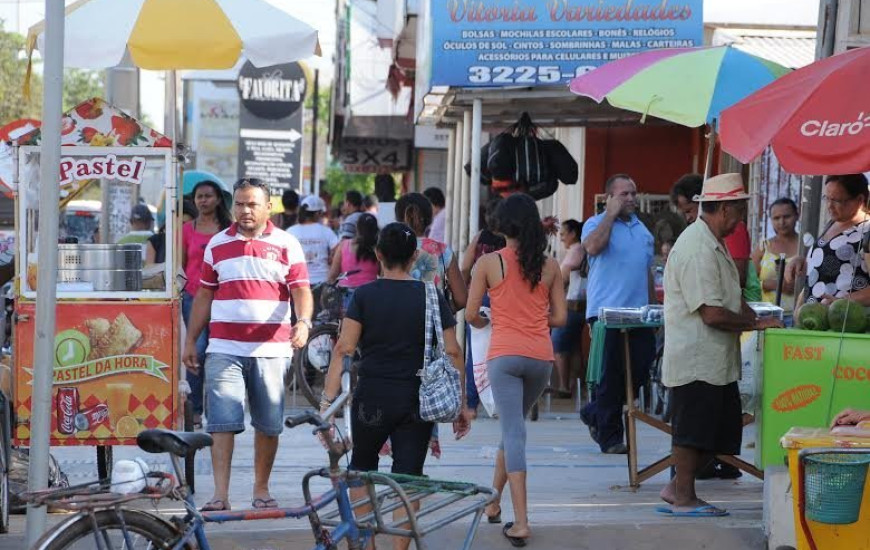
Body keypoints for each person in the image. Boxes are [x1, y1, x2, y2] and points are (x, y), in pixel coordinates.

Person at [321, 222, 471, 550]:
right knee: (408, 474)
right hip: (416, 398)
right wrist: (461, 403)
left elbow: (343, 349)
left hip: (372, 396)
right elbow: (454, 351)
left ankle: (367, 544)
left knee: (362, 468)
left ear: (377, 254)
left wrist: (326, 407)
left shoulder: (364, 295)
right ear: (415, 256)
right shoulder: (430, 296)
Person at [183, 178, 313, 512]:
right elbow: (204, 295)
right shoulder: (216, 244)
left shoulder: (287, 243)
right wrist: (190, 339)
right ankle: (220, 494)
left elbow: (300, 289)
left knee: (268, 425)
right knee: (221, 423)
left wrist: (304, 321)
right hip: (224, 347)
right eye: (240, 203)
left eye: (253, 204)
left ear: (268, 207)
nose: (245, 210)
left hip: (272, 350)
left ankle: (261, 489)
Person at [660, 173, 782, 518]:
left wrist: (752, 315)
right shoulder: (698, 247)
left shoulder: (715, 242)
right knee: (694, 431)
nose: (742, 218)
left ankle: (677, 488)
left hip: (716, 360)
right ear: (725, 209)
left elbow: (733, 297)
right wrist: (755, 324)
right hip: (697, 357)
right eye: (741, 210)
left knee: (721, 430)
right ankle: (683, 495)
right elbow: (712, 314)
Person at [466, 193, 567, 547]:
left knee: (514, 434)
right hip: (541, 358)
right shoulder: (550, 265)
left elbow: (469, 314)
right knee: (512, 429)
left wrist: (488, 320)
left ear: (502, 226)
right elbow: (560, 317)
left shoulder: (489, 263)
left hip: (504, 357)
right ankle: (493, 503)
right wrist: (533, 318)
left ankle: (522, 521)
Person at [580, 174, 656, 455]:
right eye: (624, 194)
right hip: (606, 314)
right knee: (610, 375)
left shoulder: (643, 230)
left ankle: (594, 411)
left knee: (639, 369)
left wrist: (653, 308)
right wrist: (609, 217)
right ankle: (610, 436)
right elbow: (593, 247)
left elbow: (645, 271)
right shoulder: (595, 224)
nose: (631, 199)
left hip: (638, 314)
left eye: (634, 193)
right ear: (609, 198)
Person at [182, 179, 233, 426]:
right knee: (197, 352)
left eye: (208, 196)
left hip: (224, 298)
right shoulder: (186, 230)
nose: (203, 201)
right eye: (199, 197)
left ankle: (218, 408)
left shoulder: (229, 230)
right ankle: (195, 410)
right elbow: (180, 266)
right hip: (193, 297)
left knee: (219, 352)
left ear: (219, 199)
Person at [671, 174, 758, 298]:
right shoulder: (697, 238)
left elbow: (738, 279)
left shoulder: (732, 229)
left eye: (689, 210)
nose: (688, 218)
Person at [788, 174, 870, 306]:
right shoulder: (831, 224)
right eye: (827, 198)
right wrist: (803, 261)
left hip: (844, 322)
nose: (829, 206)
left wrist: (842, 302)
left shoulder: (867, 230)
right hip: (812, 319)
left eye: (837, 200)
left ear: (860, 200)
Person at [460, 197, 506, 414]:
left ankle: (472, 404)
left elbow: (465, 266)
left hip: (480, 299)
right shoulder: (513, 240)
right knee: (504, 351)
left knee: (476, 352)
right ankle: (502, 400)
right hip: (506, 299)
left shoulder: (480, 238)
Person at [395, 192, 467, 311]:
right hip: (434, 325)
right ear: (430, 219)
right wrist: (444, 314)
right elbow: (462, 299)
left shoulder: (388, 248)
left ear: (397, 219)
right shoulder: (442, 251)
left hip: (396, 322)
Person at [551, 219, 586, 399]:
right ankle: (575, 384)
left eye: (564, 234)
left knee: (559, 345)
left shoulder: (576, 250)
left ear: (573, 233)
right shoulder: (580, 249)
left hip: (572, 306)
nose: (561, 237)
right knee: (574, 348)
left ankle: (564, 386)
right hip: (582, 306)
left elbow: (562, 277)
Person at [750, 198, 799, 320]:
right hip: (768, 317)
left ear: (797, 216)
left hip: (798, 315)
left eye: (787, 216)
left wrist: (795, 284)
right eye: (776, 218)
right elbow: (749, 283)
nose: (782, 222)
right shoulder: (763, 247)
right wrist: (769, 284)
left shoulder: (806, 246)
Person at [328, 212, 380, 308]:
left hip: (347, 294)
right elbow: (383, 274)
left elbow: (332, 275)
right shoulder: (378, 248)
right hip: (372, 294)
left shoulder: (344, 245)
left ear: (357, 228)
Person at [289, 196, 340, 285]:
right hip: (322, 280)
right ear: (317, 214)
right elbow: (339, 250)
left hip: (297, 281)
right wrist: (331, 258)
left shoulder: (291, 231)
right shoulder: (326, 231)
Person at [146, 199, 198, 266]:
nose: (184, 228)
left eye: (188, 225)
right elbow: (150, 270)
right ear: (172, 220)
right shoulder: (155, 241)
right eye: (182, 223)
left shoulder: (194, 243)